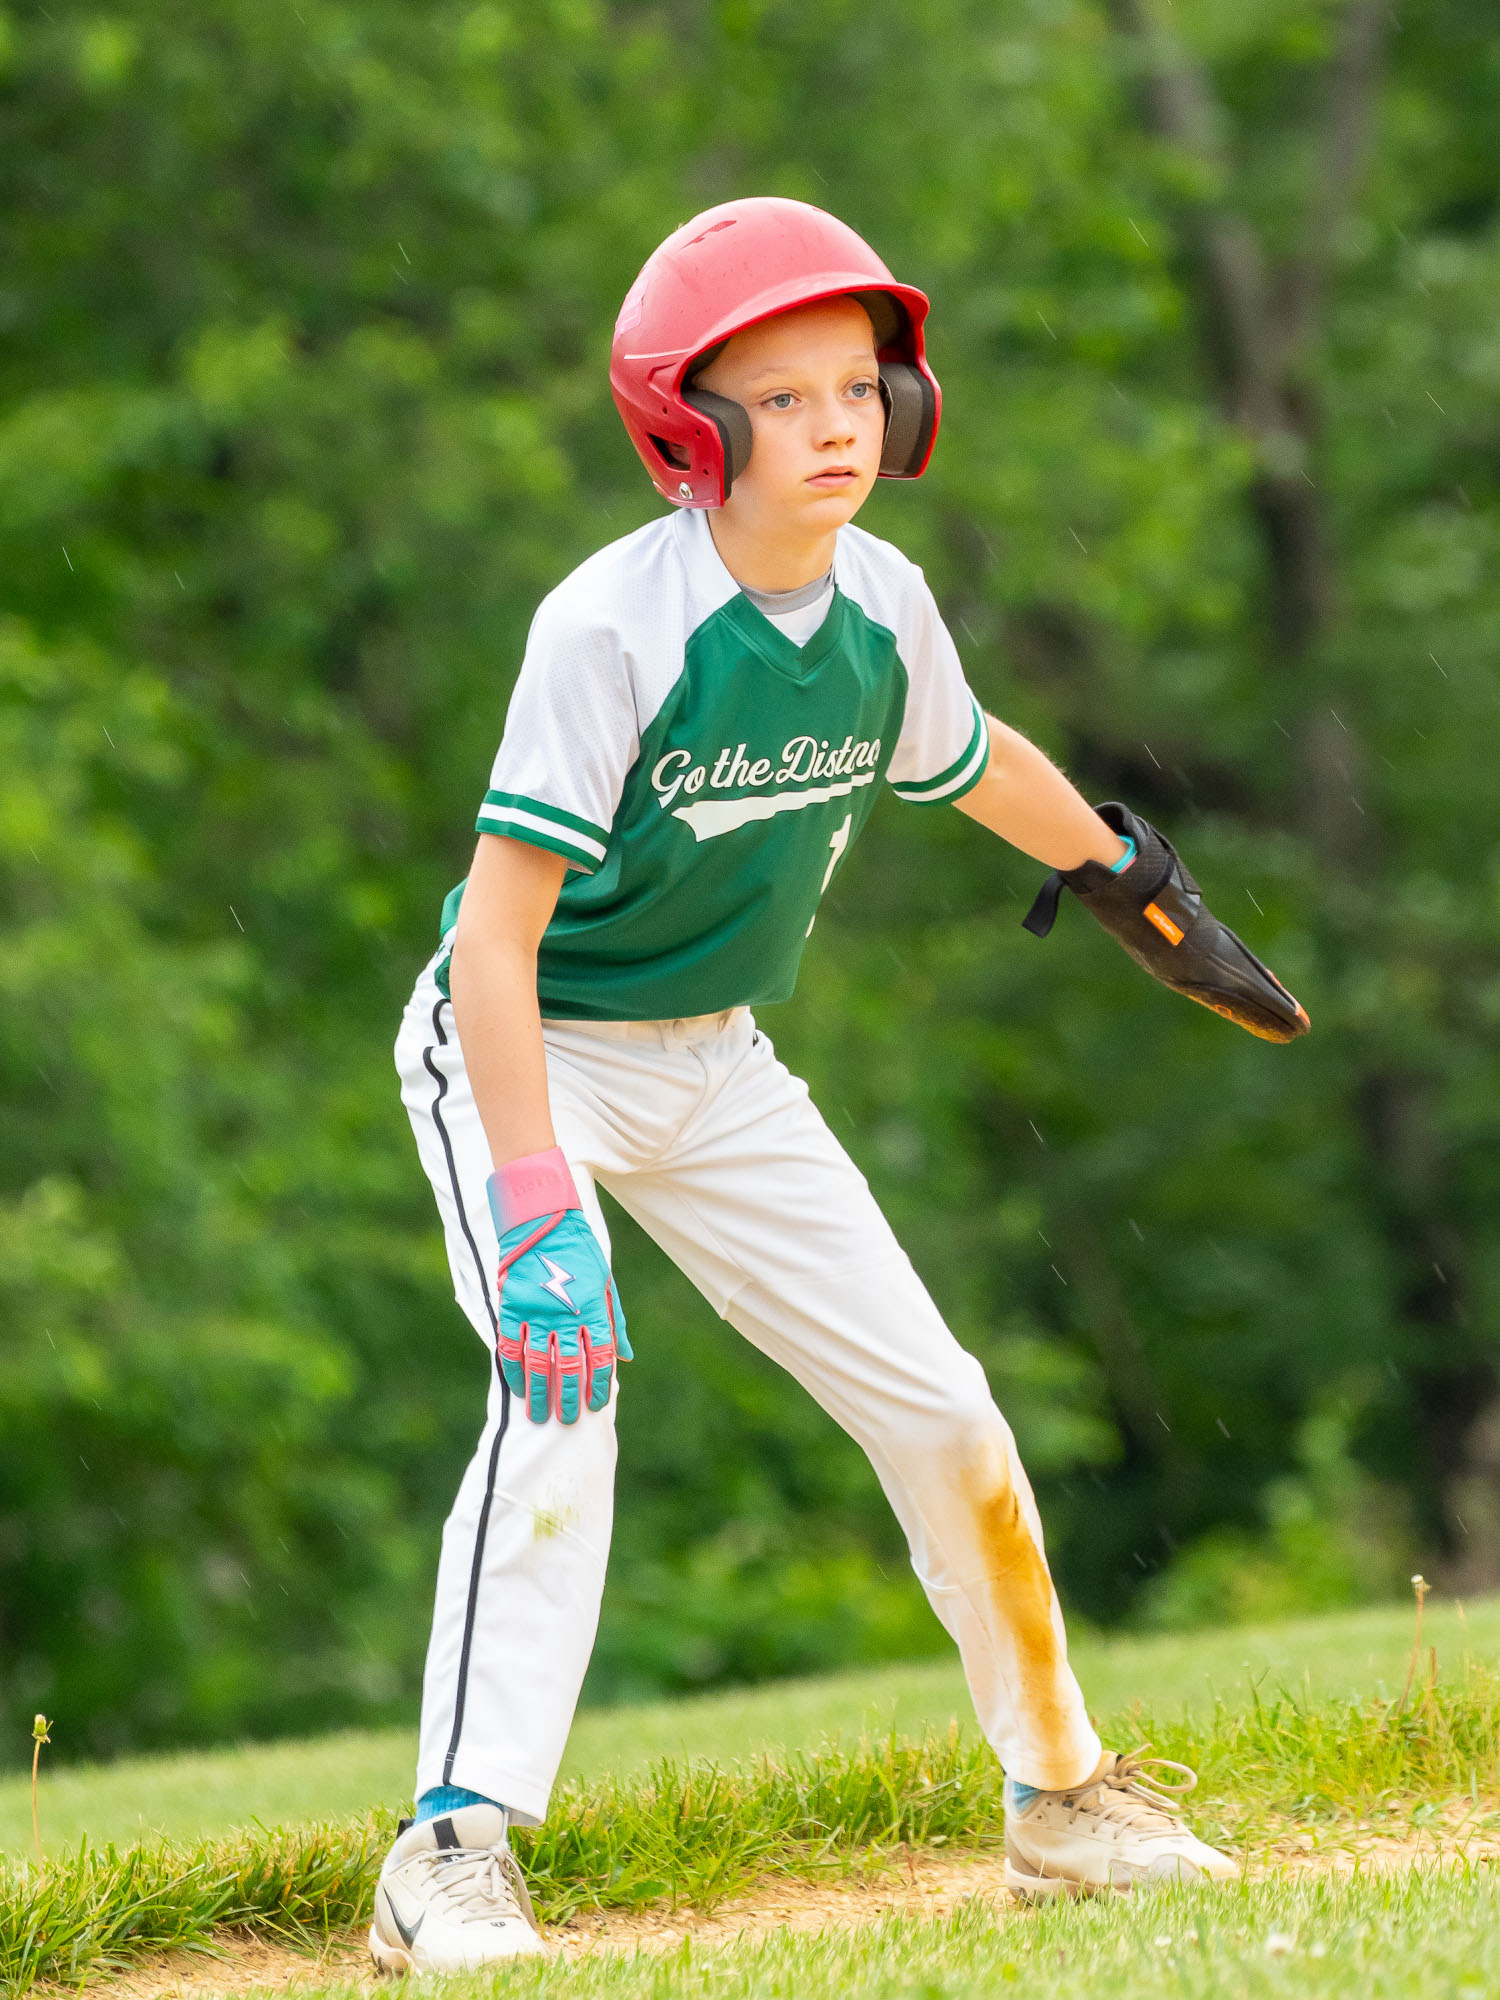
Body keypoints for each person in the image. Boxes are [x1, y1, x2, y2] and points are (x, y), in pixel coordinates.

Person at [368, 197, 1308, 1974]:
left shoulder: (881, 603)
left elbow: (967, 757)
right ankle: (449, 1852)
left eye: (861, 390)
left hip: (716, 1062)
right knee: (561, 1401)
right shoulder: (612, 626)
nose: (838, 428)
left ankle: (1060, 1801)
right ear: (690, 430)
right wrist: (535, 1197)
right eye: (784, 398)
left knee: (943, 1411)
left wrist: (1129, 877)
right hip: (530, 1050)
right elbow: (493, 942)